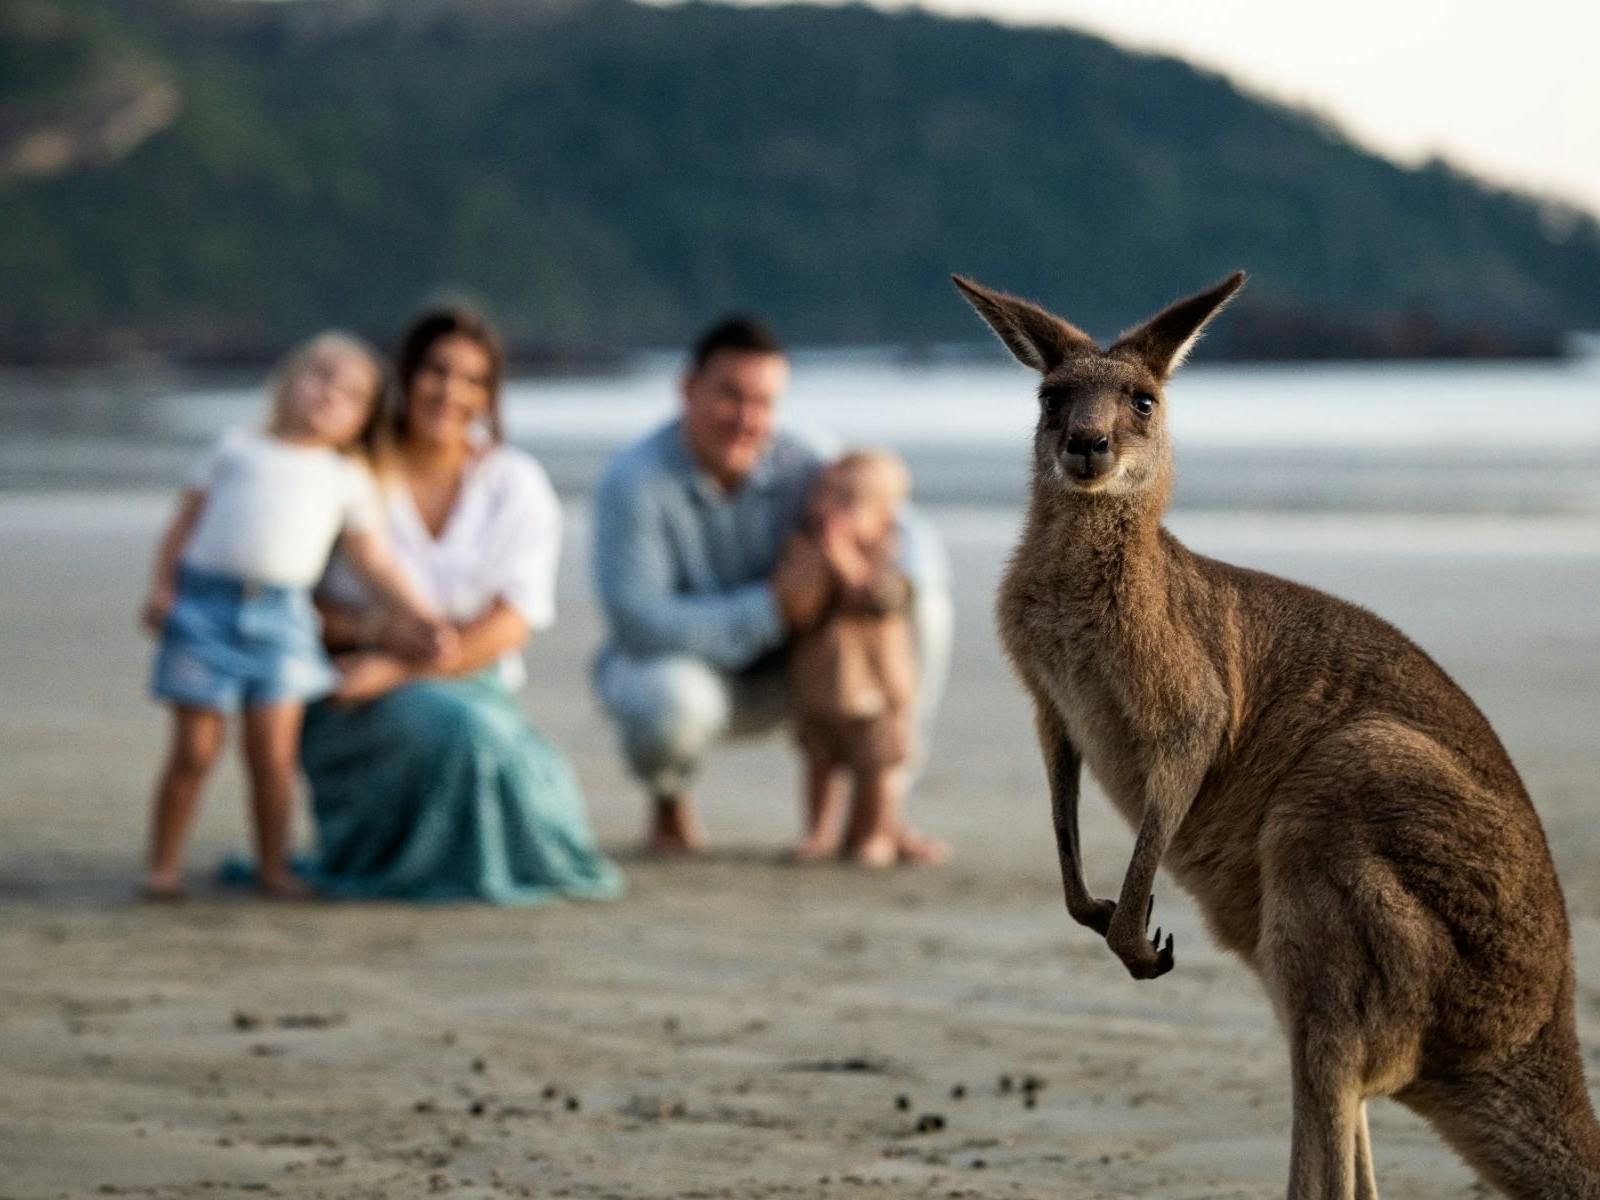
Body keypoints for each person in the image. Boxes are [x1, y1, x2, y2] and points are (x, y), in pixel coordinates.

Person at [592, 315, 953, 858]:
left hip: (803, 670)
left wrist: (875, 583)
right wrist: (774, 608)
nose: (747, 419)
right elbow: (640, 624)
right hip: (698, 676)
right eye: (730, 397)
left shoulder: (804, 457)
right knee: (666, 701)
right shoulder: (633, 482)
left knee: (924, 606)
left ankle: (884, 809)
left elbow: (911, 536)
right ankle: (669, 803)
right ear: (687, 388)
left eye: (763, 403)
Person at [297, 306, 622, 904]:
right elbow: (293, 606)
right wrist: (374, 631)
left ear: (492, 397)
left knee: (517, 767)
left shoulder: (513, 482)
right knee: (460, 736)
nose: (451, 392)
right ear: (404, 374)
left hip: (474, 684)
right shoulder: (347, 471)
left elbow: (511, 622)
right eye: (436, 371)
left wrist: (403, 665)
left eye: (474, 380)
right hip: (347, 692)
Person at [140, 333, 446, 900]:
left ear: (364, 419)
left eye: (353, 394)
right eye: (321, 375)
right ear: (288, 380)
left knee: (274, 757)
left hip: (282, 618)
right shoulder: (236, 448)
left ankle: (273, 866)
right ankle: (163, 865)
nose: (331, 394)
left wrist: (419, 612)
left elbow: (373, 559)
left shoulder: (346, 476)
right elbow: (182, 525)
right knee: (194, 750)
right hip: (206, 607)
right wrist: (162, 589)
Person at [790, 450, 945, 866]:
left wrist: (844, 561)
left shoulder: (889, 554)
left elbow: (882, 598)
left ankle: (876, 831)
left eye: (845, 501)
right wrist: (816, 565)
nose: (827, 508)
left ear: (884, 518)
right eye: (821, 494)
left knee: (876, 768)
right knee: (820, 764)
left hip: (877, 690)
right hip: (822, 688)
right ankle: (819, 830)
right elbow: (793, 606)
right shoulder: (803, 550)